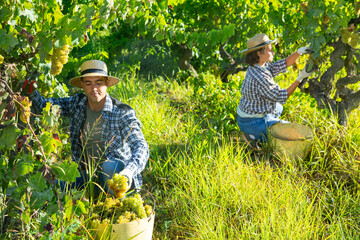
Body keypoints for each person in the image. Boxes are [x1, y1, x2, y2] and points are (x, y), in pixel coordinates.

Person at [23, 60, 149, 194]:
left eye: (98, 83)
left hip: (117, 179)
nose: (93, 88)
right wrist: (31, 90)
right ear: (82, 85)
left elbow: (141, 146)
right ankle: (92, 196)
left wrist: (128, 172)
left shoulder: (122, 112)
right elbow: (45, 106)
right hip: (87, 177)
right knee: (54, 187)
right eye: (88, 83)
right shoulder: (78, 103)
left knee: (109, 166)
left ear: (107, 83)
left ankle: (114, 205)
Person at [236, 33, 314, 149]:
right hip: (251, 121)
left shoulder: (259, 65)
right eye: (270, 50)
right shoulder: (259, 76)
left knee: (278, 107)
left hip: (246, 114)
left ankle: (262, 129)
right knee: (288, 132)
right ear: (259, 53)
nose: (273, 53)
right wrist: (300, 78)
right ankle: (253, 136)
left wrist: (299, 52)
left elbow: (282, 64)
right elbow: (282, 96)